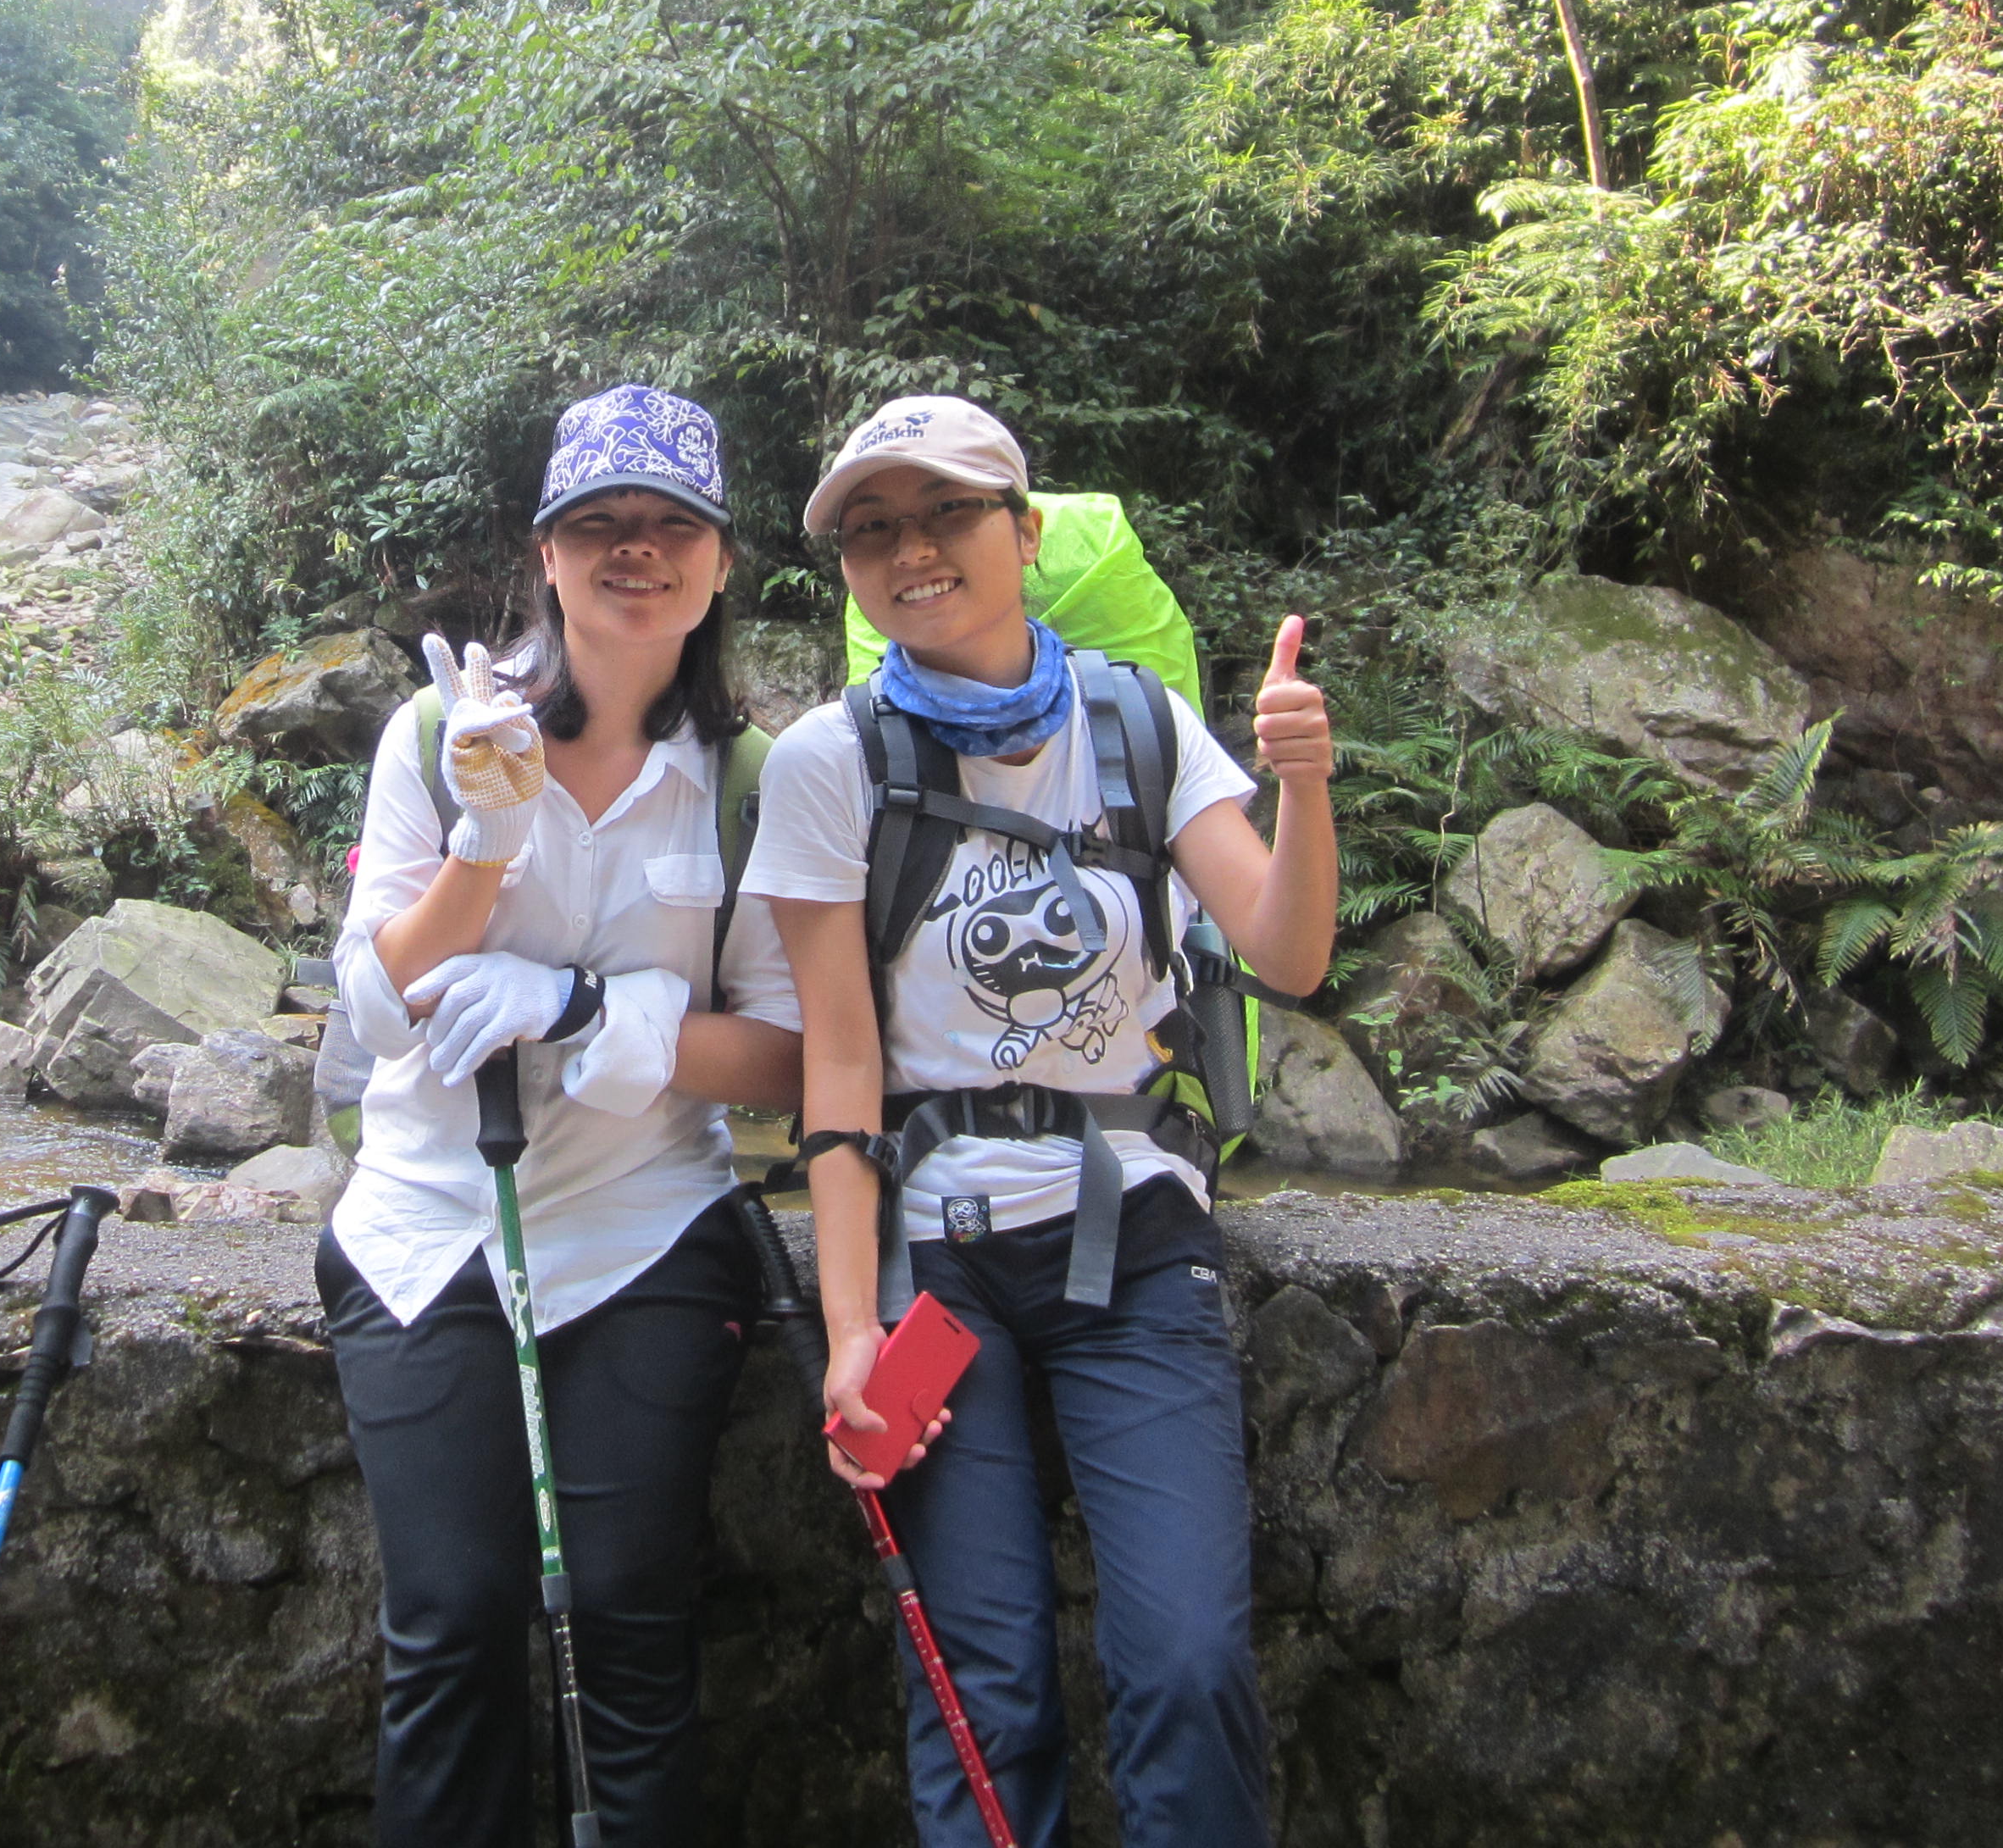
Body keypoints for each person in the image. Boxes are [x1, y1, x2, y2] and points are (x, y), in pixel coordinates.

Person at [744, 395, 1336, 1848]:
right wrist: (846, 1334)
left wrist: (1304, 785)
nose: (912, 551)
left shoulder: (1140, 723)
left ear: (1024, 531)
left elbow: (1286, 950)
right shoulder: (830, 763)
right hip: (936, 1264)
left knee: (1190, 1667)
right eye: (873, 529)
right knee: (978, 1692)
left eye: (946, 513)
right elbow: (838, 1067)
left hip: (1135, 1244)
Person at [323, 383, 803, 1846]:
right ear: (545, 552)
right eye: (599, 523)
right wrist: (488, 838)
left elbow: (787, 1058)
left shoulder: (749, 781)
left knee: (627, 1621)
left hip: (650, 1233)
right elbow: (372, 1005)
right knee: (457, 1619)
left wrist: (594, 1012)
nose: (635, 551)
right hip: (426, 1231)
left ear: (720, 561)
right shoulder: (430, 734)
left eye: (672, 526)